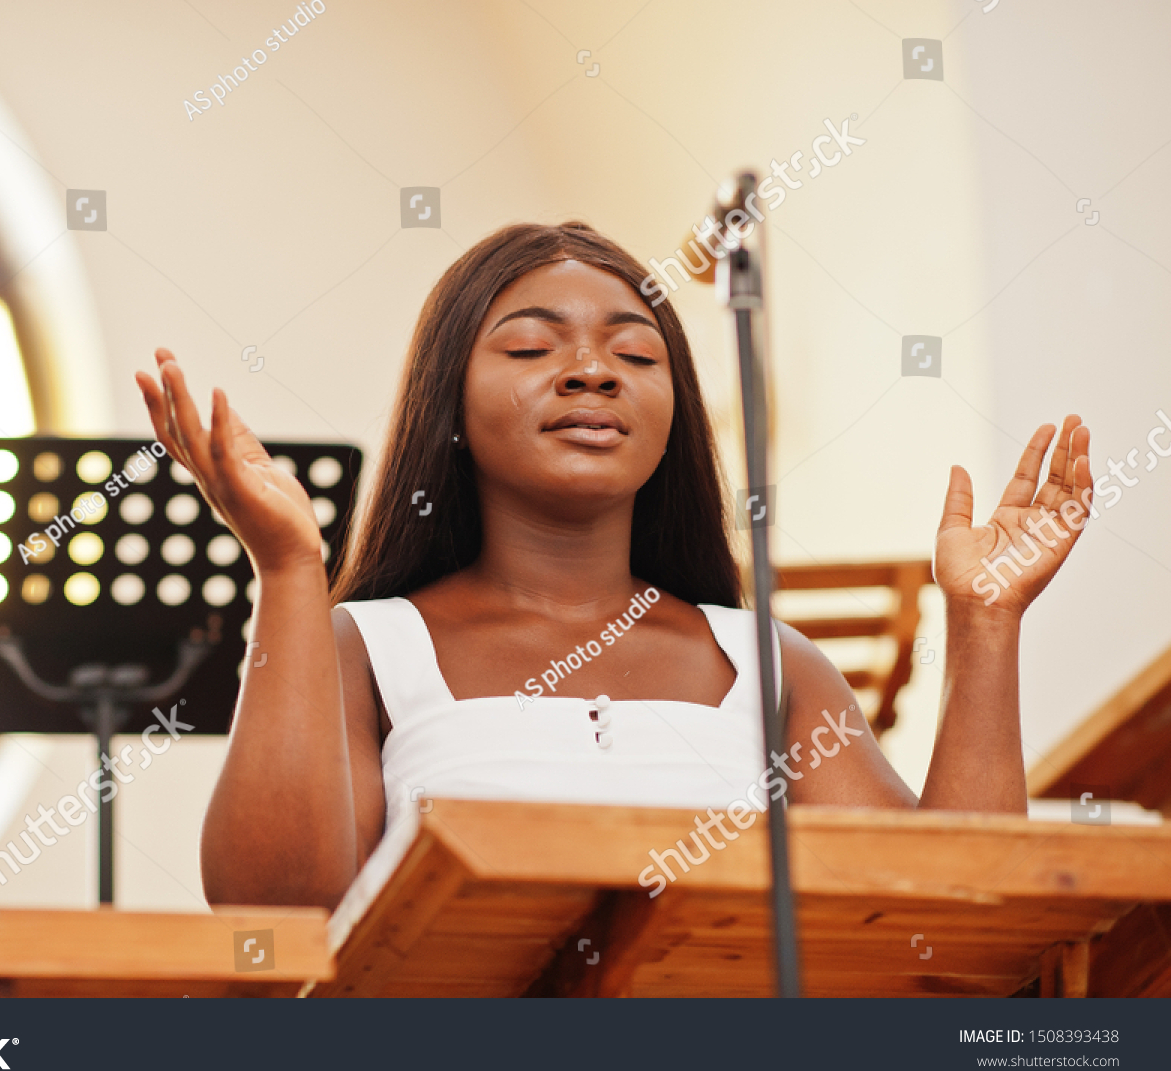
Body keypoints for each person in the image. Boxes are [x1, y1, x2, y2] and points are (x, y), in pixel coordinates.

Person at [135, 221, 1093, 911]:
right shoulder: (370, 647)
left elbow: (951, 908)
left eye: (634, 354)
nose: (592, 370)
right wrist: (292, 570)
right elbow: (274, 909)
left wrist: (984, 623)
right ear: (450, 410)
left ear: (670, 417)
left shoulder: (768, 667)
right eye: (530, 346)